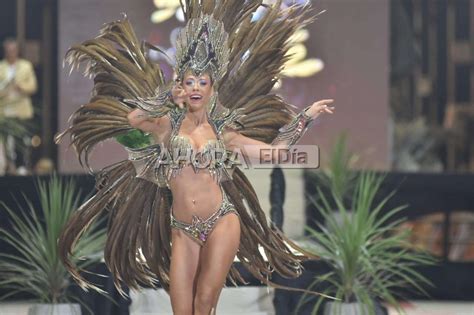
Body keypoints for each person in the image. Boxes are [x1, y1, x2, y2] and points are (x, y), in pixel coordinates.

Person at [57, 2, 335, 314]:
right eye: (189, 82)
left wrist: (305, 117)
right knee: (182, 310)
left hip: (222, 222)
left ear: (212, 89)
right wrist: (165, 98)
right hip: (182, 227)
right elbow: (135, 119)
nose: (196, 88)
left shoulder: (225, 134)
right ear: (181, 87)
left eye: (203, 82)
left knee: (204, 304)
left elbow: (275, 152)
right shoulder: (165, 126)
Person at [0, 38, 37, 174]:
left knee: (21, 140)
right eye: (8, 50)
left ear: (17, 51)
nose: (11, 53)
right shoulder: (1, 67)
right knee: (5, 142)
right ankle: (8, 166)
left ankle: (22, 166)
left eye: (13, 50)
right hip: (5, 111)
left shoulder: (26, 66)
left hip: (21, 110)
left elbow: (33, 86)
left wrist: (19, 86)